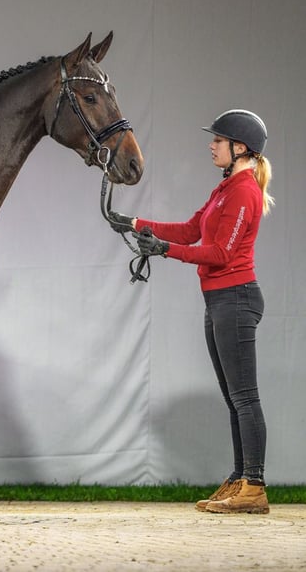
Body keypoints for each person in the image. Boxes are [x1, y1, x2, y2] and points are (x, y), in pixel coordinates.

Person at [109, 109, 274, 514]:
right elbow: (189, 230)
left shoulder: (243, 192)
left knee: (245, 398)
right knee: (235, 398)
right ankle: (241, 479)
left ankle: (254, 487)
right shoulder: (224, 189)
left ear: (240, 148)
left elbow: (220, 253)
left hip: (235, 299)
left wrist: (164, 251)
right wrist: (134, 223)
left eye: (218, 140)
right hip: (220, 301)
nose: (211, 145)